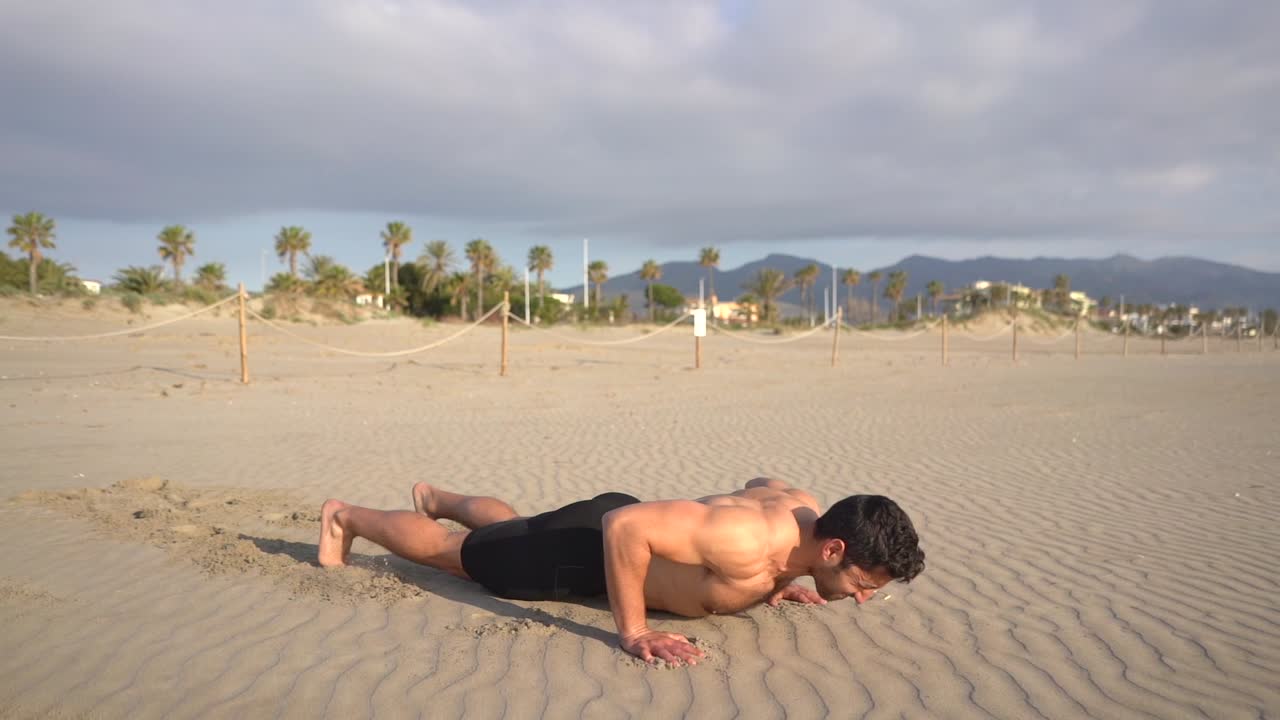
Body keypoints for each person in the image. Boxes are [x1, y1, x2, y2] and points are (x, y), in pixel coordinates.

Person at [318, 477, 924, 665]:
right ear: (834, 550)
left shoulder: (804, 511)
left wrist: (779, 582)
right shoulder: (744, 539)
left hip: (623, 524)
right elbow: (626, 530)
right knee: (455, 556)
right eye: (863, 584)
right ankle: (347, 518)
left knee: (521, 527)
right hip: (590, 551)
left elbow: (760, 484)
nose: (863, 598)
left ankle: (444, 497)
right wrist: (633, 632)